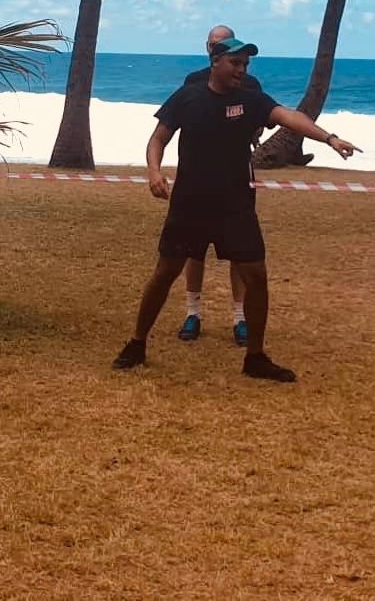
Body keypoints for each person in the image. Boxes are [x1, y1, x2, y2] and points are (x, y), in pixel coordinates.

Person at [113, 37, 359, 383]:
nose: (242, 70)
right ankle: (136, 344)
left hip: (235, 206)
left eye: (246, 64)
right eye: (236, 63)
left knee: (256, 276)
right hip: (189, 205)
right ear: (216, 62)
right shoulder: (188, 97)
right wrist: (154, 172)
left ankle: (255, 357)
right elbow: (158, 139)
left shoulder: (251, 100)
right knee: (165, 273)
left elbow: (289, 117)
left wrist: (330, 139)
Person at [177, 24, 259, 347]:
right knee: (193, 251)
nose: (219, 49)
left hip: (236, 183)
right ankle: (192, 313)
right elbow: (177, 125)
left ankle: (240, 318)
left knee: (241, 253)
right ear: (208, 48)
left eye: (225, 45)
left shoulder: (250, 85)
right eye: (214, 44)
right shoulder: (192, 83)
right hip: (198, 183)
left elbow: (262, 120)